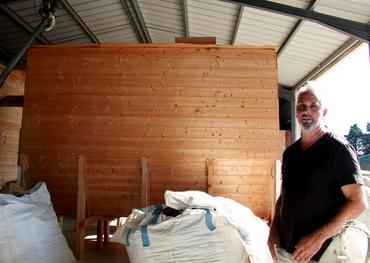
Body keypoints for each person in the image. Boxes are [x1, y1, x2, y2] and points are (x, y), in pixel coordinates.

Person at [268, 84, 368, 262]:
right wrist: (273, 230)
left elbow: (358, 203)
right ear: (296, 111)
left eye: (314, 106)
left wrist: (319, 237)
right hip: (288, 252)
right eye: (301, 106)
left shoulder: (338, 149)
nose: (307, 111)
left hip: (324, 253)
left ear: (325, 112)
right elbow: (283, 197)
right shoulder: (290, 154)